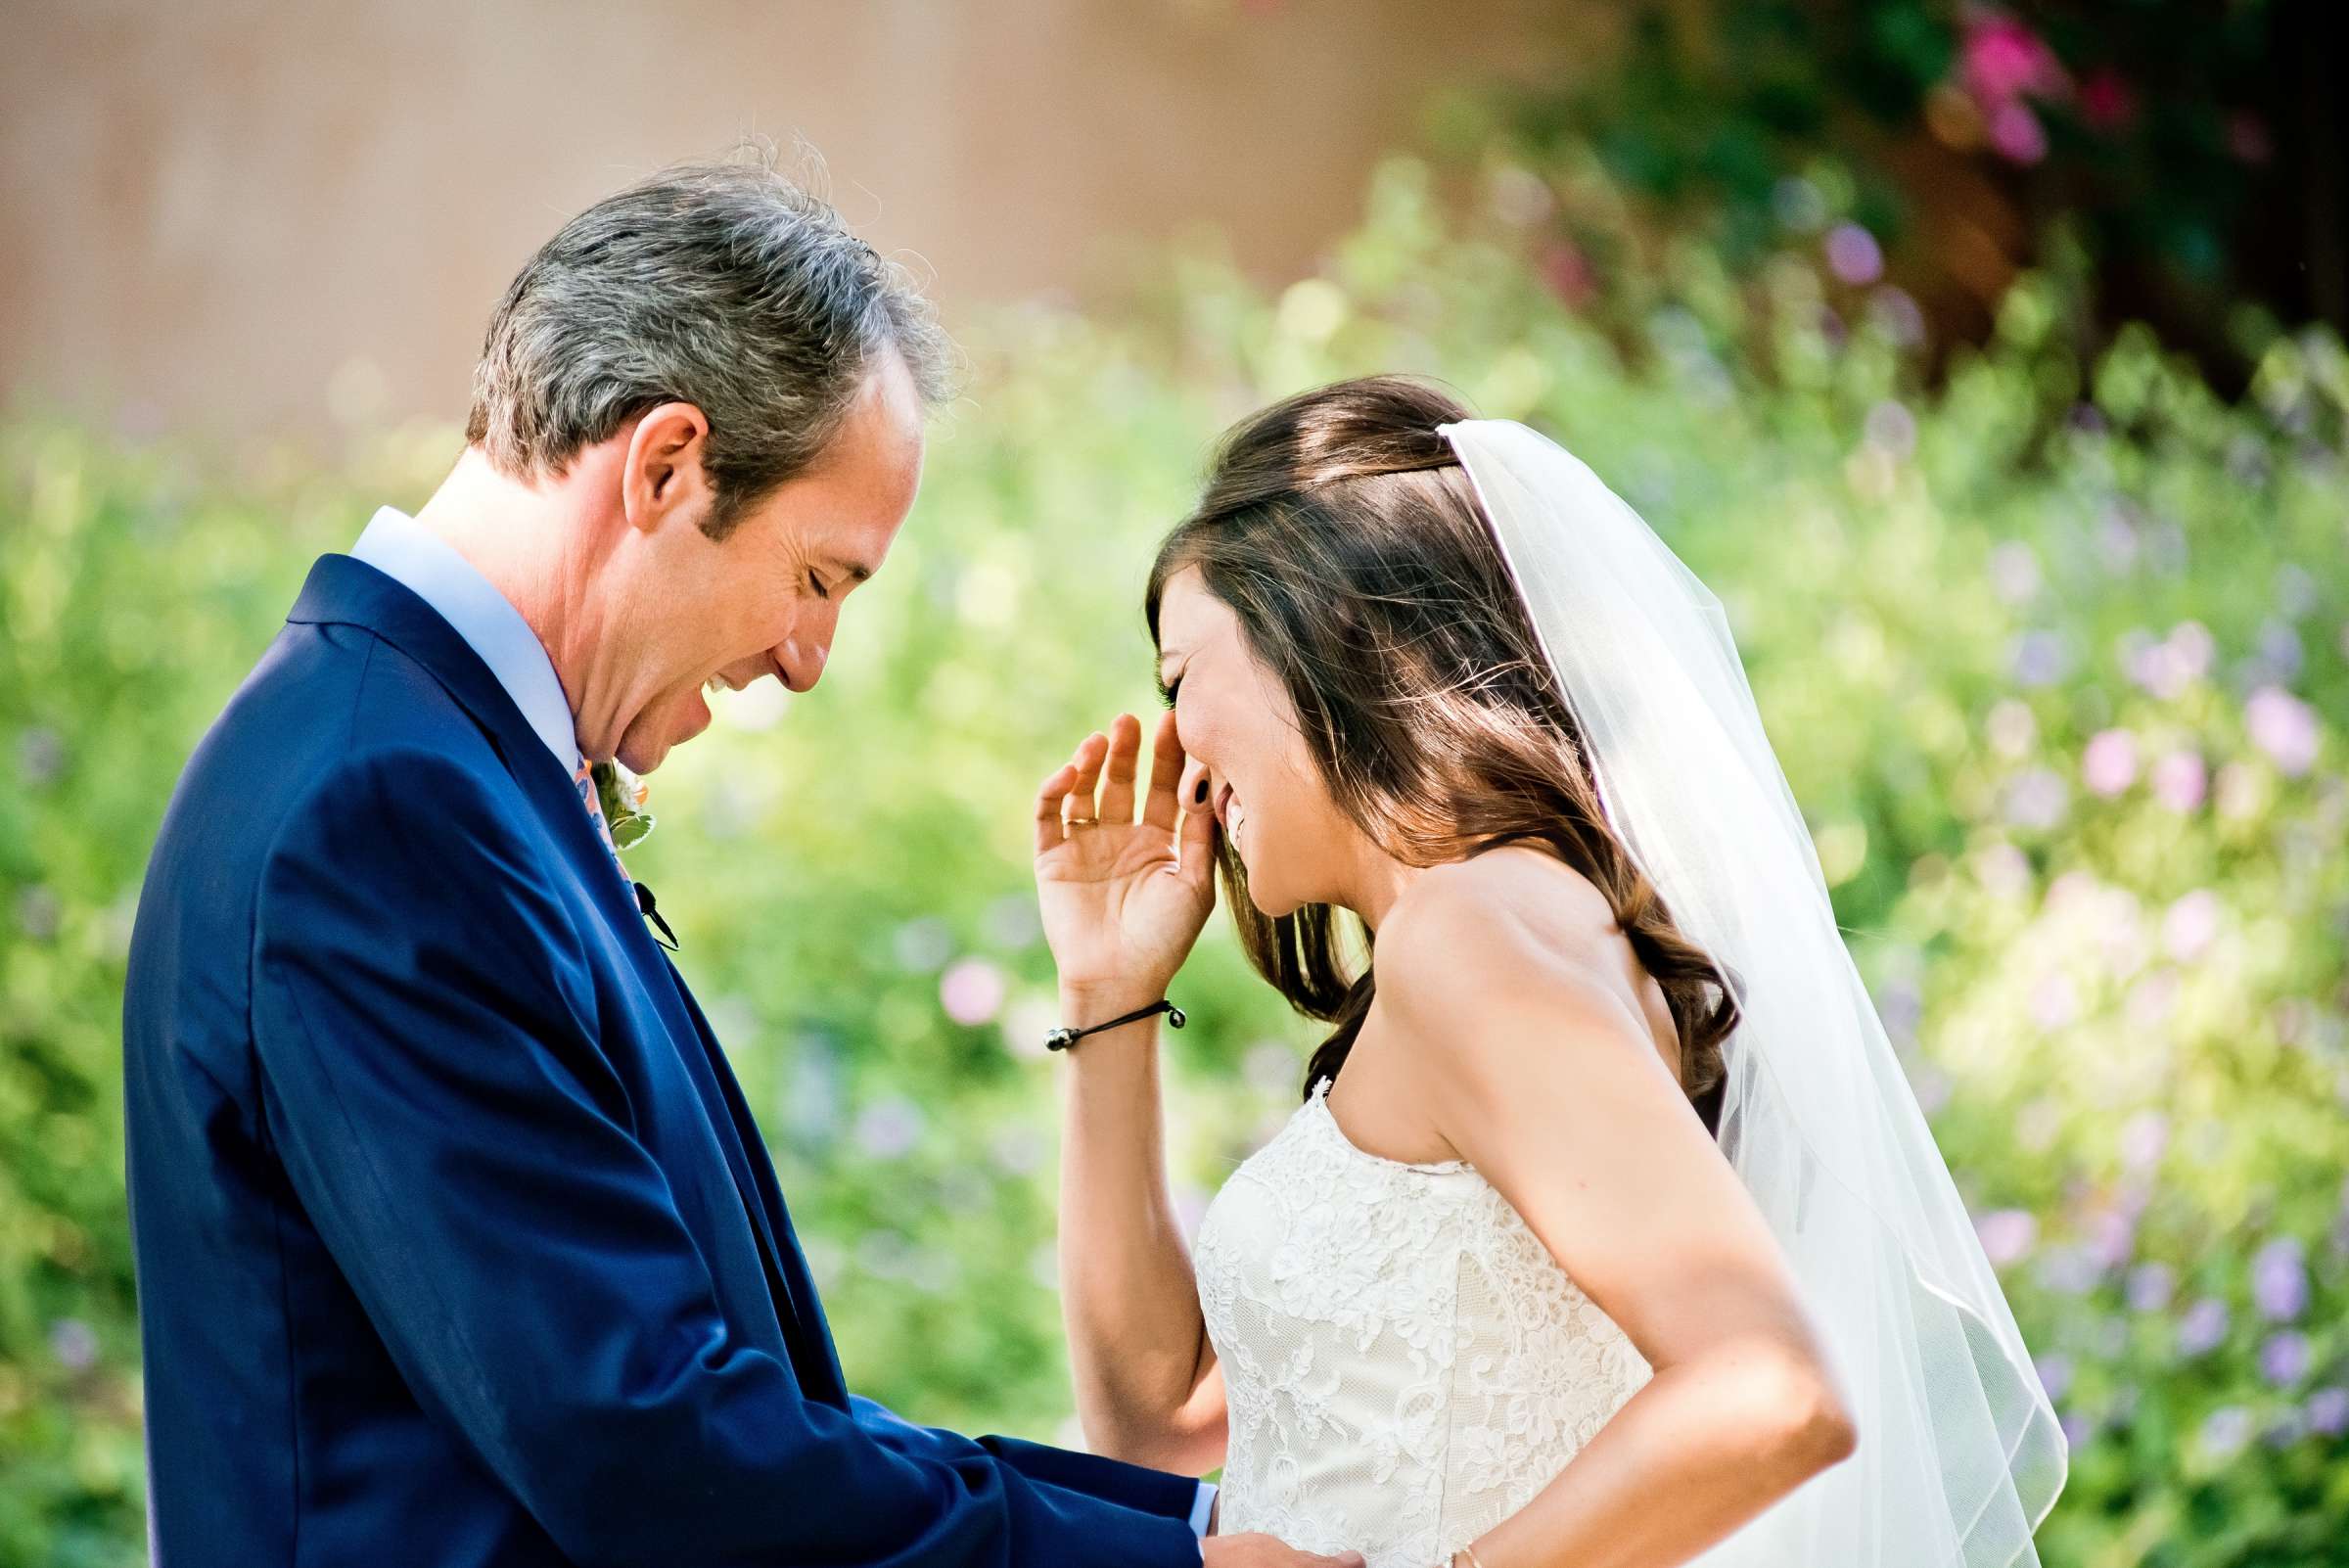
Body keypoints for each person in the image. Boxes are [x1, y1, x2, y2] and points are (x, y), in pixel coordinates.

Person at [121, 148, 1360, 1568]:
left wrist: (1192, 1523)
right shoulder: (378, 812)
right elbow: (641, 1438)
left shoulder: (418, 763)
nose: (807, 657)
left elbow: (723, 1393)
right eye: (819, 576)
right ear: (664, 465)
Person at [1033, 376, 2068, 1568]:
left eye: (1179, 680)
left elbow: (1771, 1388)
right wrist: (1106, 996)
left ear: (1322, 630)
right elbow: (1155, 1418)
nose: (1175, 746)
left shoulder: (1472, 935)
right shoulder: (1472, 938)